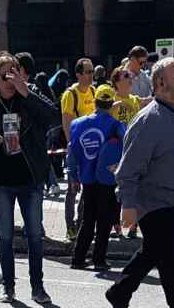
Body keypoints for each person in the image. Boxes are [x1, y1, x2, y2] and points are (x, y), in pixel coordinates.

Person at [105, 57, 174, 308]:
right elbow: (128, 169)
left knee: (153, 252)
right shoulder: (148, 120)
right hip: (155, 203)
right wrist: (129, 205)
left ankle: (120, 291)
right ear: (159, 83)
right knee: (173, 265)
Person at [0, 54, 56, 304]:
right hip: (1, 179)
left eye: (15, 72)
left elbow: (52, 119)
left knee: (34, 235)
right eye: (6, 75)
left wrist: (27, 93)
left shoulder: (29, 97)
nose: (11, 79)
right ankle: (8, 286)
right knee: (5, 236)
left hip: (30, 177)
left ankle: (38, 287)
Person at [68, 84, 125, 271]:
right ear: (111, 104)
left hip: (86, 179)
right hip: (107, 180)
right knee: (104, 221)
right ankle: (99, 259)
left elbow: (72, 152)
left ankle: (78, 258)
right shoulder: (116, 125)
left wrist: (72, 176)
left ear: (95, 102)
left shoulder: (77, 124)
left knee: (87, 219)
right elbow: (125, 146)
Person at [108, 66, 150, 239]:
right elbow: (103, 118)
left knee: (134, 188)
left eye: (130, 75)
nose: (130, 78)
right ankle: (115, 225)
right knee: (113, 189)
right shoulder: (111, 98)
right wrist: (115, 105)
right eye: (126, 76)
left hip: (132, 150)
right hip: (115, 150)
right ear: (116, 82)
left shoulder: (134, 99)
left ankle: (133, 226)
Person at [60, 58, 96, 241]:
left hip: (91, 148)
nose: (91, 76)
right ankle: (70, 227)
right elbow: (67, 125)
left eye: (92, 72)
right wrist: (73, 150)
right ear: (79, 74)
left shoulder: (93, 91)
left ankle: (82, 223)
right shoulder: (70, 94)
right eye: (88, 72)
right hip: (76, 149)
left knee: (88, 189)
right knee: (73, 188)